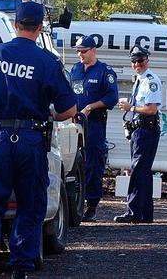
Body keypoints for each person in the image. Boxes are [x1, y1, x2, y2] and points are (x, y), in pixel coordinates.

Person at [0, 1, 77, 279]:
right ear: (39, 28)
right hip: (31, 140)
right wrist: (51, 113)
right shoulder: (48, 62)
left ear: (16, 25)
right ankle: (20, 268)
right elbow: (69, 110)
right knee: (30, 205)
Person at [70, 36, 118, 222]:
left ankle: (91, 205)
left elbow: (112, 98)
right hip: (74, 124)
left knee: (93, 164)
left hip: (94, 125)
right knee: (74, 163)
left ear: (93, 50)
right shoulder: (75, 69)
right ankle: (75, 202)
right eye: (78, 51)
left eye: (83, 51)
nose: (80, 54)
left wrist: (90, 107)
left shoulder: (104, 72)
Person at [115, 46, 162, 223]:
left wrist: (131, 107)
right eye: (134, 61)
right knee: (143, 171)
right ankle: (145, 214)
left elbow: (151, 109)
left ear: (147, 60)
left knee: (138, 171)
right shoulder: (139, 80)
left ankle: (133, 211)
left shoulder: (150, 80)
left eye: (140, 60)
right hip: (139, 130)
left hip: (146, 130)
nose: (137, 64)